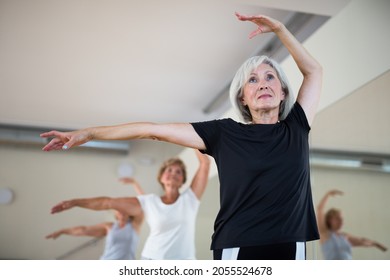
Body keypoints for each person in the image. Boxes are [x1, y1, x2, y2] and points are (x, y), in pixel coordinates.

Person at [41, 12, 322, 260]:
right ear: (243, 98)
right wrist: (89, 133)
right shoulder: (224, 133)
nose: (262, 84)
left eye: (270, 77)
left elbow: (314, 71)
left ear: (283, 91)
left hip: (292, 243)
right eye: (253, 80)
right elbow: (151, 130)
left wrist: (280, 30)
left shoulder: (296, 127)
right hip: (239, 244)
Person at [50, 150, 211, 259]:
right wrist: (75, 202)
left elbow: (205, 164)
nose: (173, 174)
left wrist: (193, 134)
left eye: (178, 172)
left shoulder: (190, 199)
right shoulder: (149, 202)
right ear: (161, 177)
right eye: (169, 170)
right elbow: (108, 202)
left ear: (183, 179)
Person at [46, 177, 145, 260]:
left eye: (125, 209)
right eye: (119, 209)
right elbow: (83, 230)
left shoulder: (135, 225)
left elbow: (145, 204)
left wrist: (134, 183)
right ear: (115, 212)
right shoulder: (109, 226)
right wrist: (62, 231)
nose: (122, 211)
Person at [317, 189, 388, 260]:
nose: (341, 221)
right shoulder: (325, 233)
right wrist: (328, 194)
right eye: (338, 218)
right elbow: (320, 209)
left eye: (342, 219)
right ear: (329, 220)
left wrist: (375, 244)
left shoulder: (344, 236)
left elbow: (362, 241)